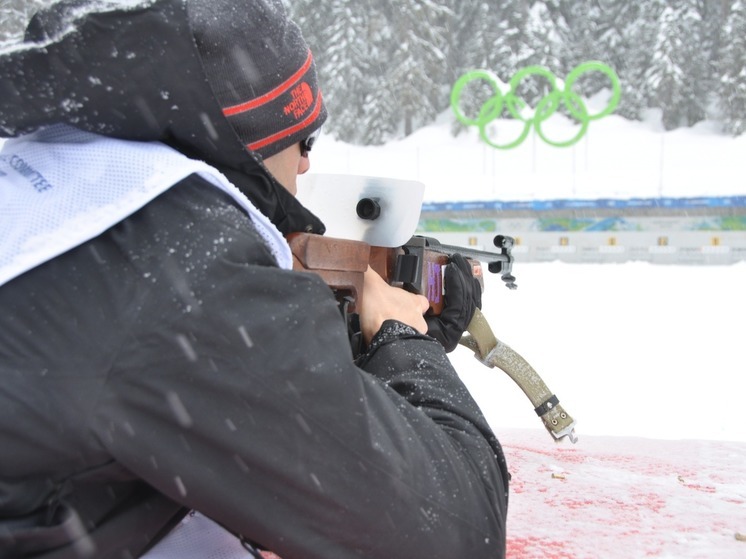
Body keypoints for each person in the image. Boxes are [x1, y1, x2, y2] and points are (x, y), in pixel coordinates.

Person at [0, 1, 509, 558]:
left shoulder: (60, 185)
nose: (308, 167)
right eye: (305, 141)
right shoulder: (179, 265)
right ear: (251, 138)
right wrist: (404, 343)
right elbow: (456, 531)